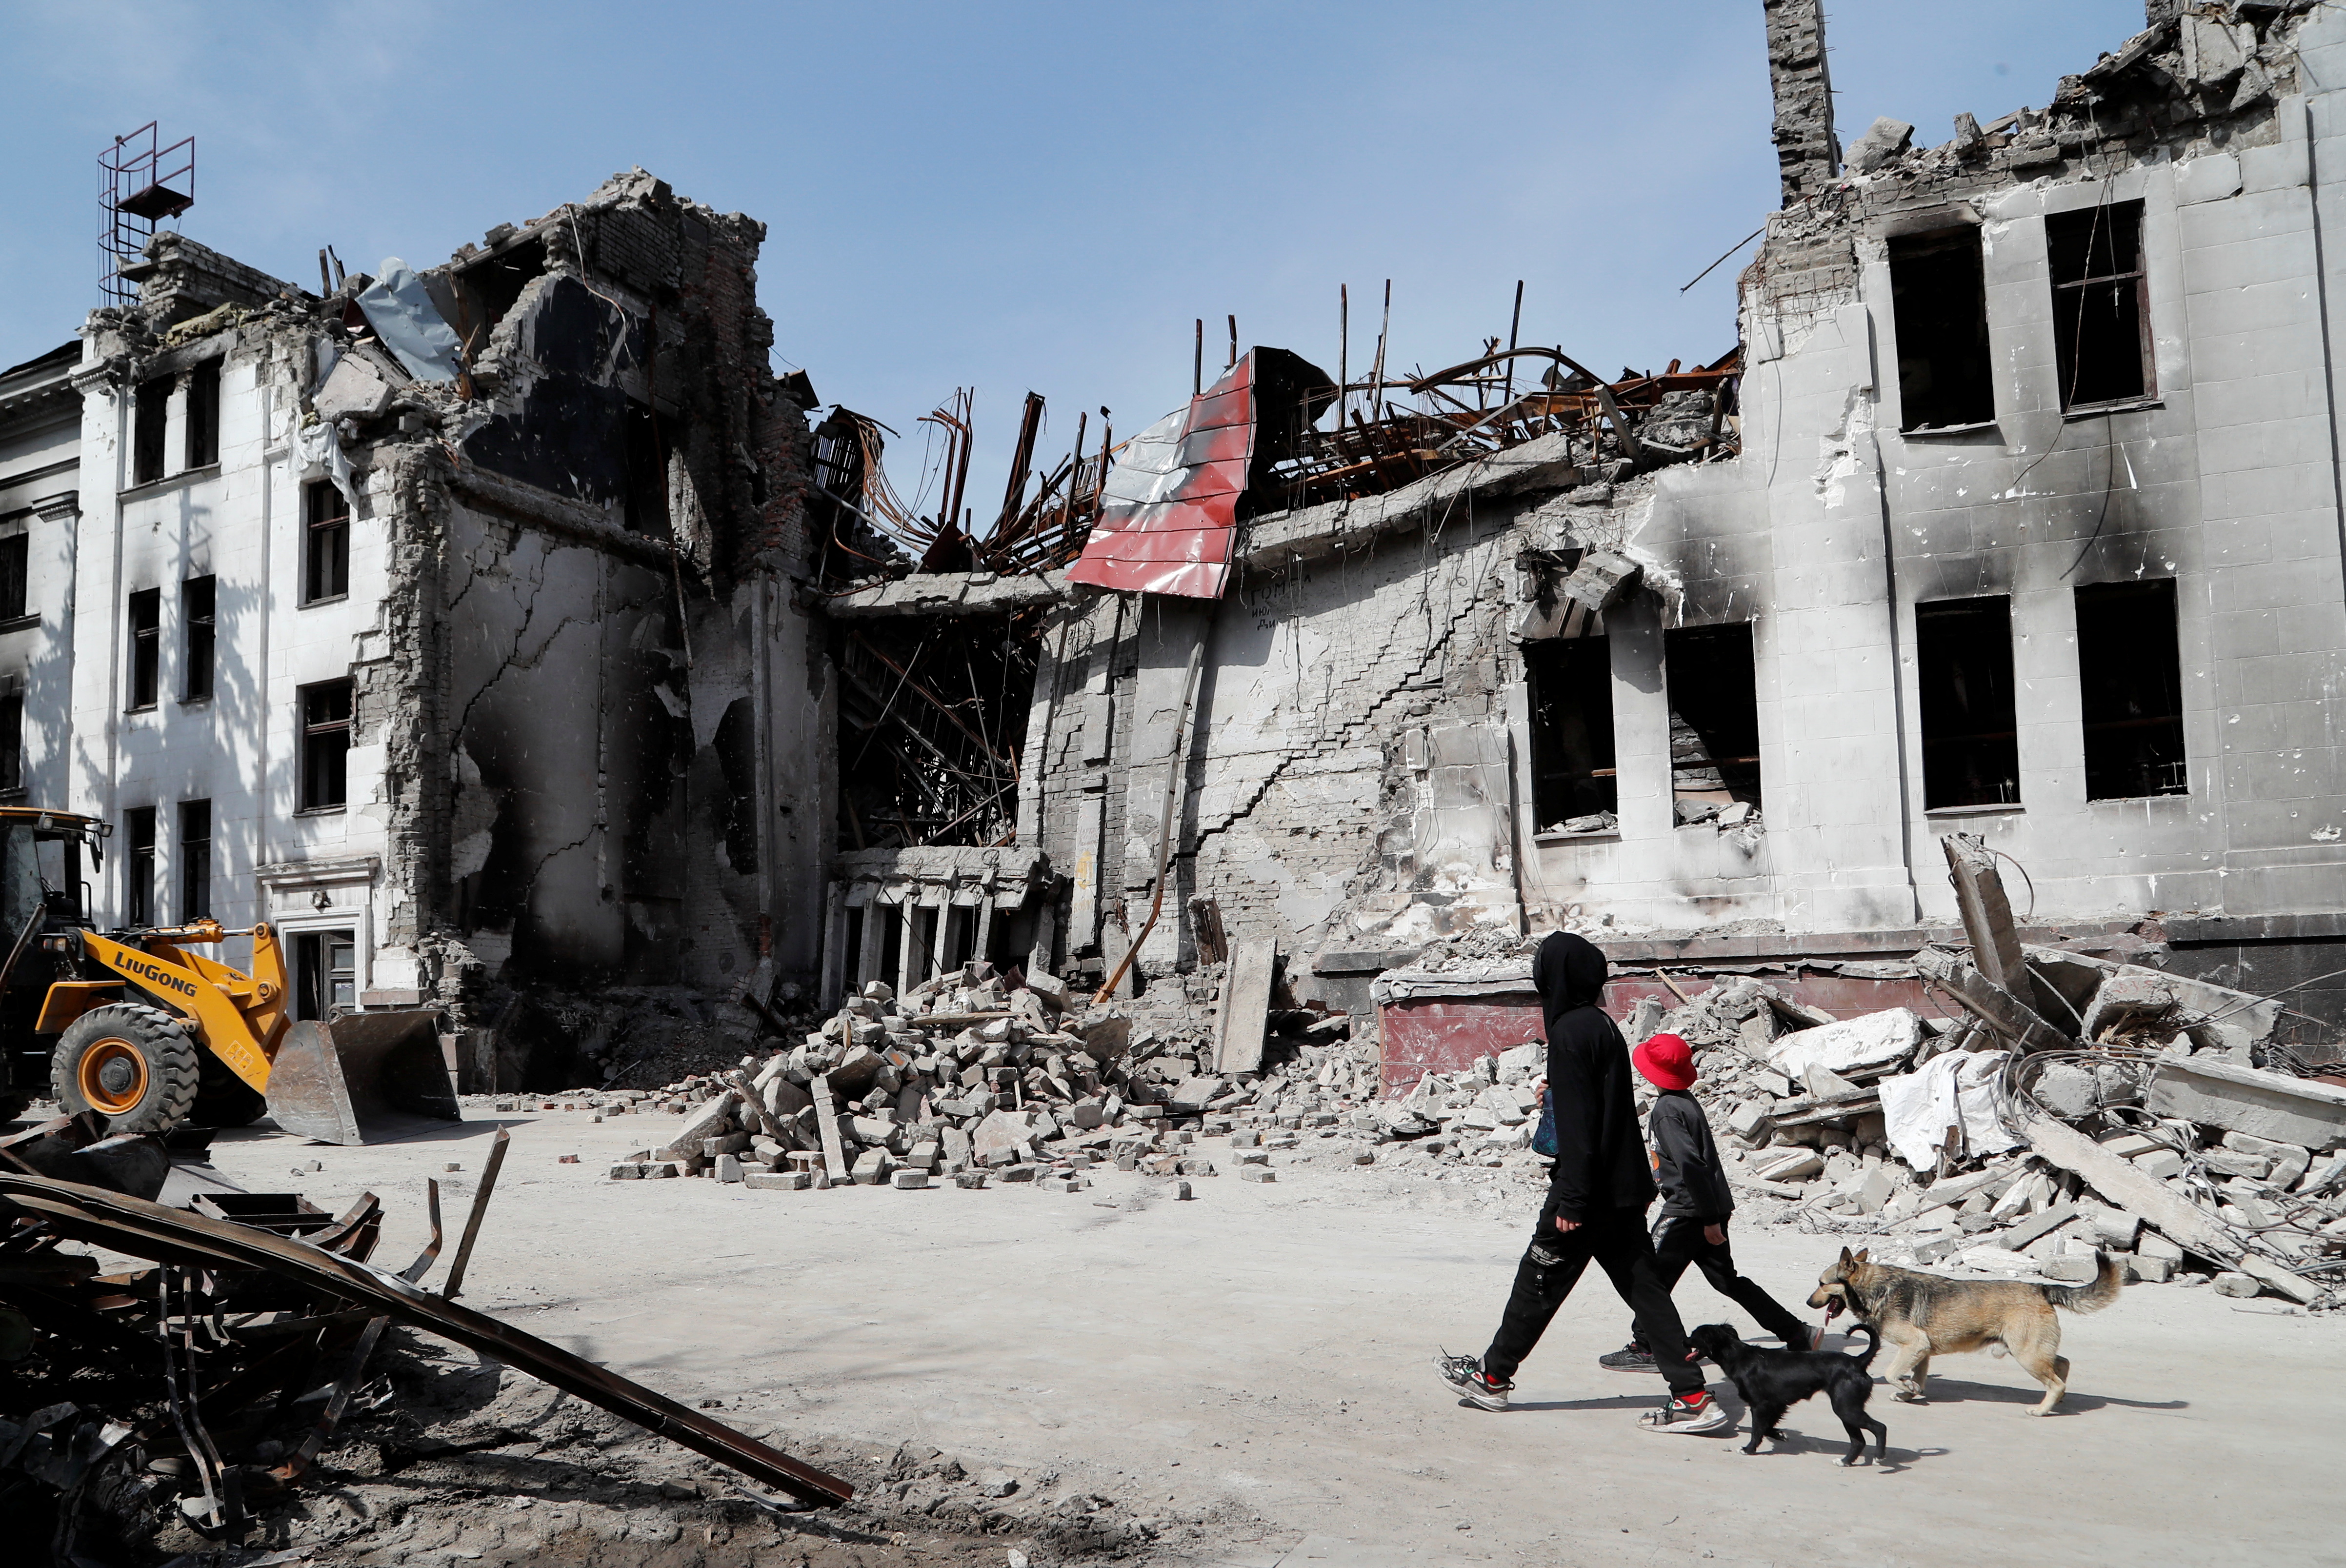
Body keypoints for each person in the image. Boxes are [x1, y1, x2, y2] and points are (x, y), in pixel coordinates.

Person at [1433, 932, 1728, 1434]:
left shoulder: (1568, 1032)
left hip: (1586, 1192)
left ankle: (1492, 1377)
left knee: (1538, 1281)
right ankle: (1693, 1396)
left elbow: (1581, 1122)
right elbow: (1599, 1103)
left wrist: (1572, 1197)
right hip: (1622, 1188)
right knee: (1647, 1290)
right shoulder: (1602, 1026)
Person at [1596, 1032, 1821, 1373]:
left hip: (1690, 1212)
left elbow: (1689, 1165)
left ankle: (1646, 1346)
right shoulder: (1683, 1101)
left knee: (1649, 1279)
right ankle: (1797, 1332)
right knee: (1725, 1279)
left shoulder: (1666, 1110)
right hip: (1707, 1206)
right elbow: (1674, 1164)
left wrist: (1707, 1219)